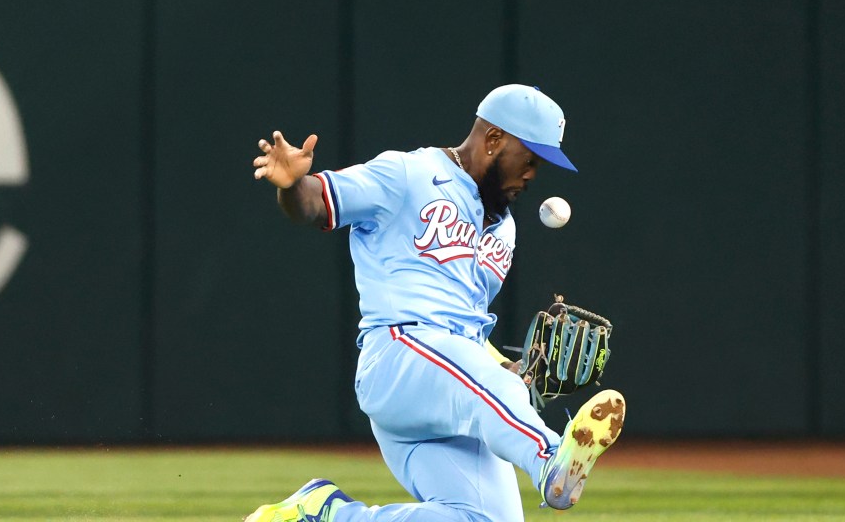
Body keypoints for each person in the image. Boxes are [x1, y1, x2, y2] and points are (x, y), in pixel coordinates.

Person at [246, 85, 626, 522]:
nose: (533, 173)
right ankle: (550, 458)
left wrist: (509, 370)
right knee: (495, 391)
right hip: (397, 357)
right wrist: (292, 185)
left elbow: (466, 335)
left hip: (447, 388)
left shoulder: (505, 229)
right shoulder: (408, 174)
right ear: (495, 139)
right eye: (531, 158)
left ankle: (323, 513)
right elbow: (314, 203)